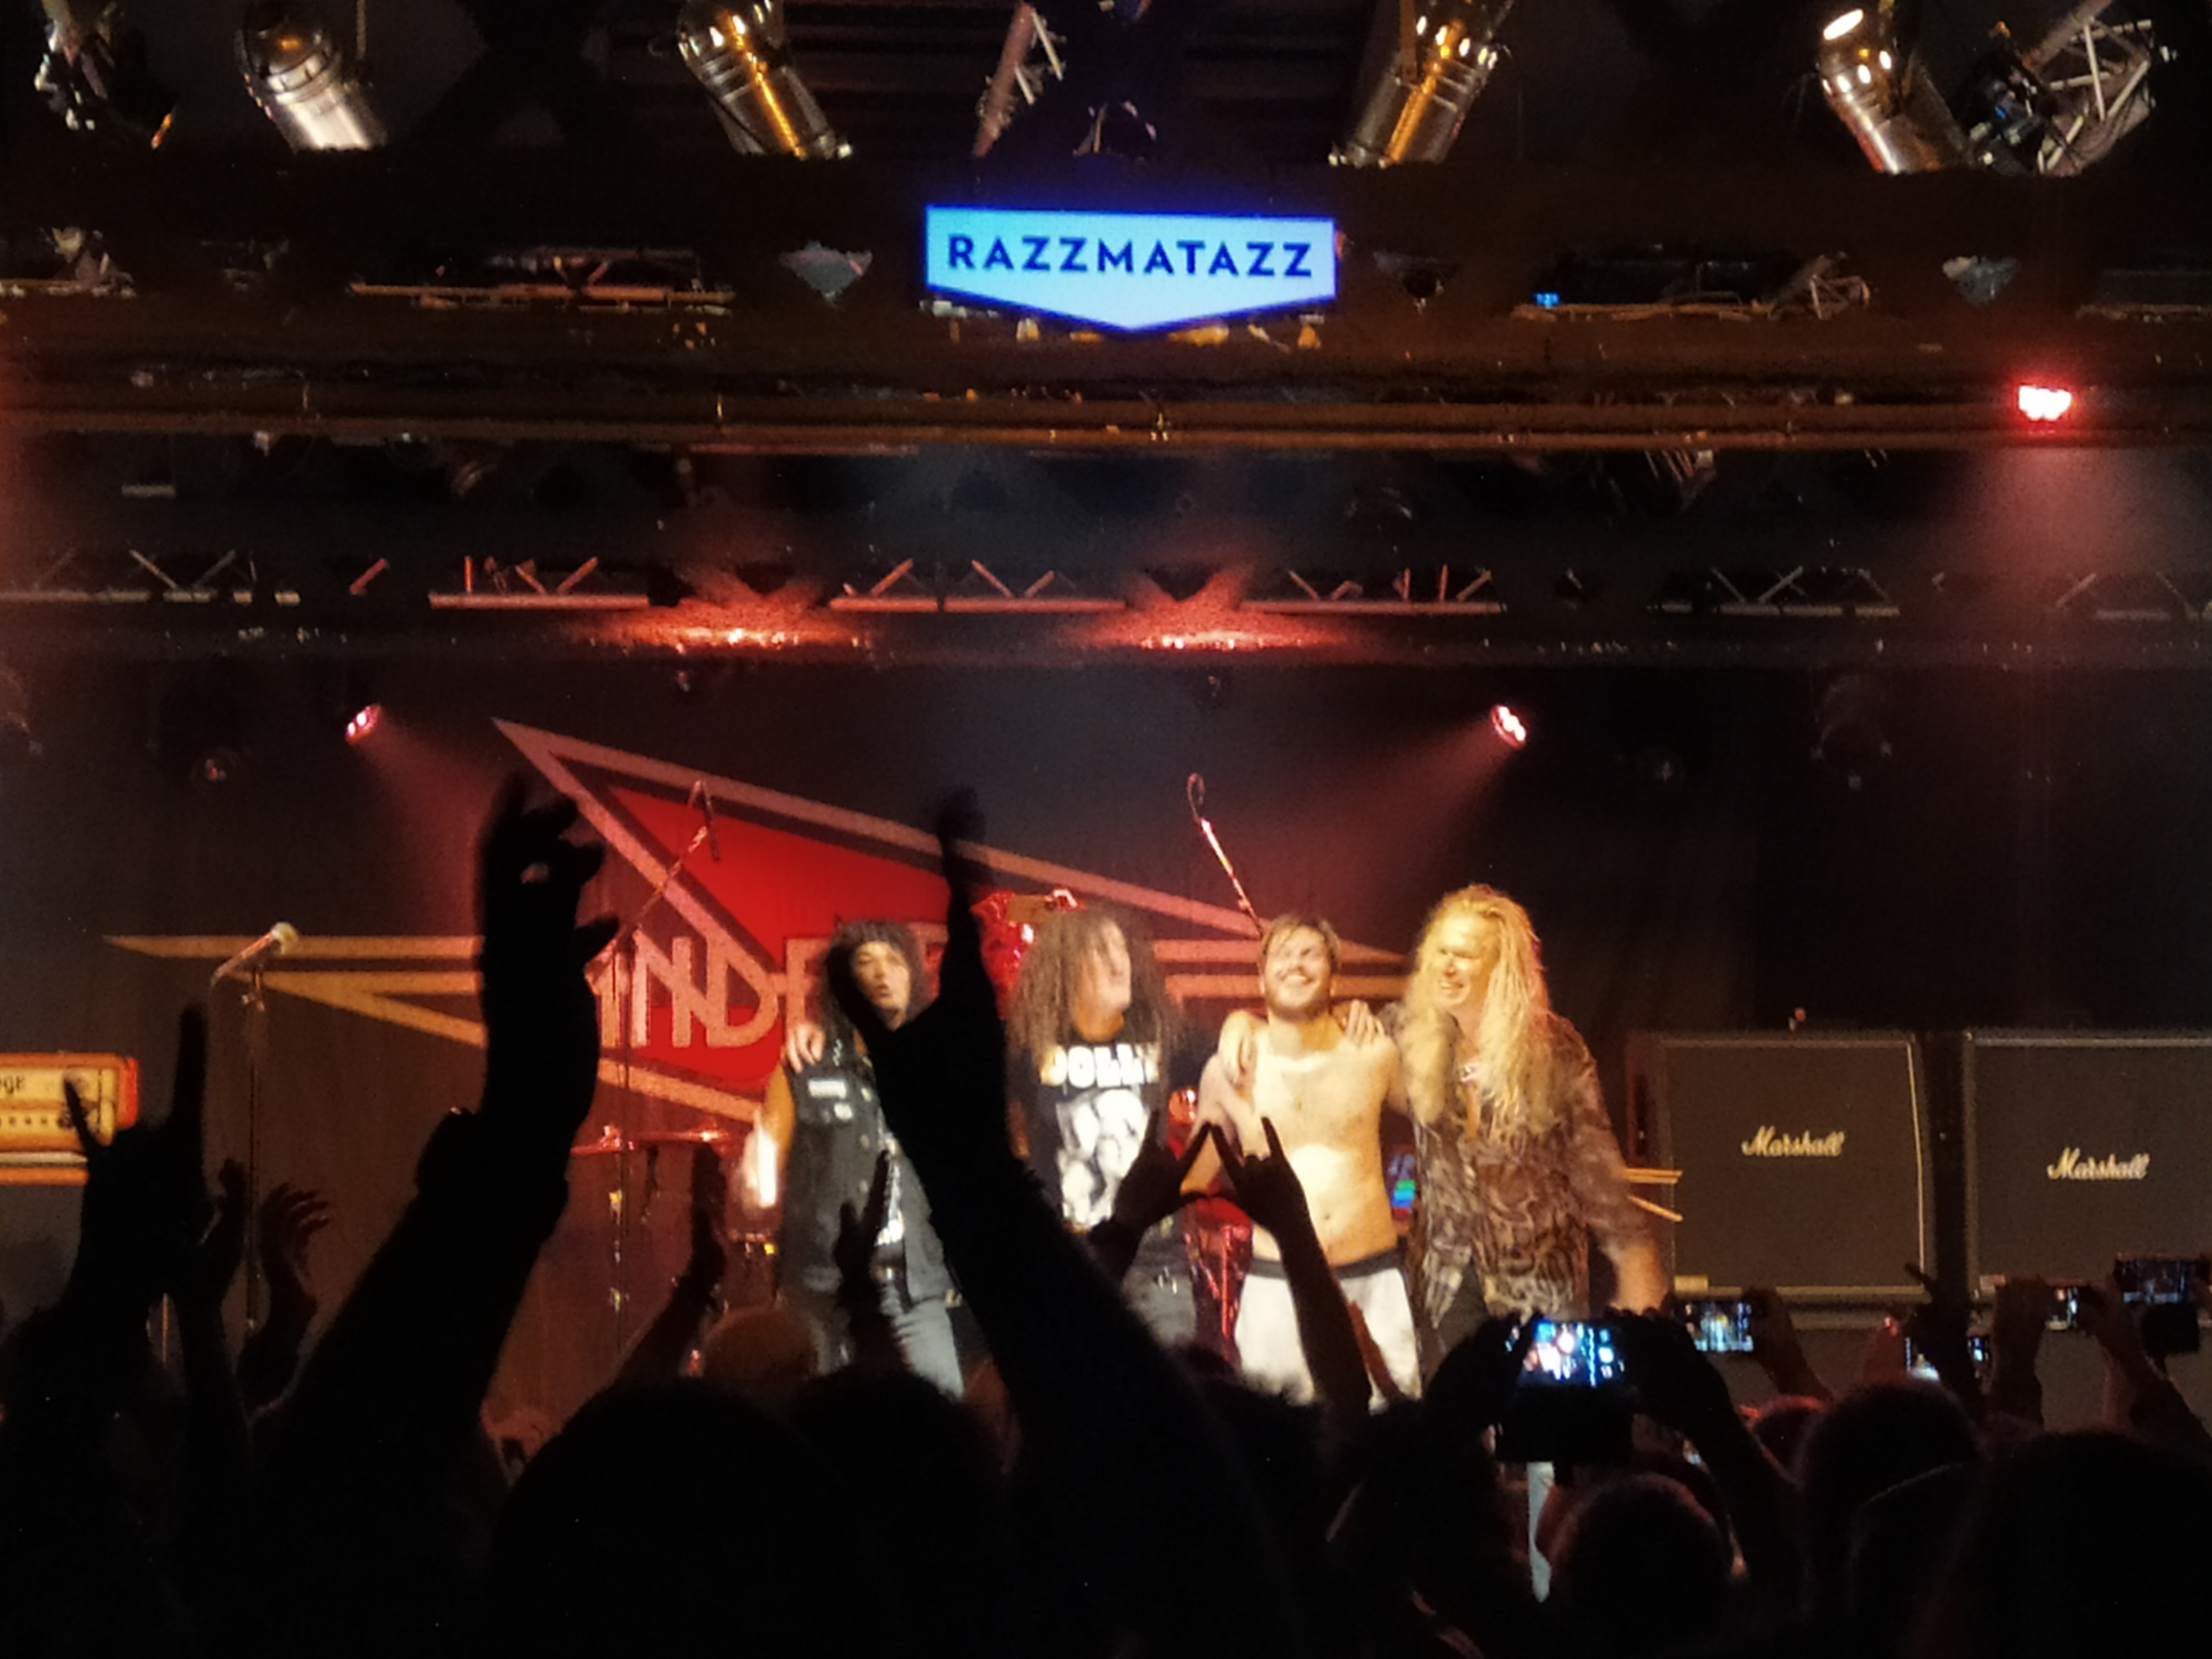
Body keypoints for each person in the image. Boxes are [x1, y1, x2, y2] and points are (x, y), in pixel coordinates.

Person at [1394, 886, 1664, 1359]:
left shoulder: (1555, 1051)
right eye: (1441, 952)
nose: (1448, 967)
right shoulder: (1409, 1034)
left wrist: (1634, 1259)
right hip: (1445, 1281)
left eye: (1465, 956)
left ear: (1501, 969)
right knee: (1458, 1403)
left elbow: (1596, 1167)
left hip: (1538, 1283)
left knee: (1537, 1403)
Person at [1198, 913, 1420, 1401]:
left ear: (1334, 977)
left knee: (1390, 1435)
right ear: (1261, 978)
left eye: (1310, 954)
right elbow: (1190, 1178)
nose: (1295, 964)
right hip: (1275, 1284)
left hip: (1372, 1278)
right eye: (1283, 954)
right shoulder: (1230, 1069)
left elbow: (1440, 1123)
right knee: (1281, 1436)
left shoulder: (1375, 1053)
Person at [748, 921, 962, 1394]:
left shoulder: (941, 1067)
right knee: (811, 1418)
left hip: (913, 1288)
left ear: (915, 976)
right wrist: (755, 1175)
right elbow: (760, 1177)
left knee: (942, 1409)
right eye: (866, 963)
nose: (882, 973)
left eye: (895, 962)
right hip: (819, 1288)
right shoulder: (804, 1066)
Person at [1005, 903, 1209, 1344]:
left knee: (1169, 1384)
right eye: (1101, 951)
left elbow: (1243, 1052)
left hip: (1157, 1268)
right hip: (1066, 1268)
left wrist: (1244, 1026)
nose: (1120, 963)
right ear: (1065, 967)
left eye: (1122, 949)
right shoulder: (1025, 1046)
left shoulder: (1165, 1038)